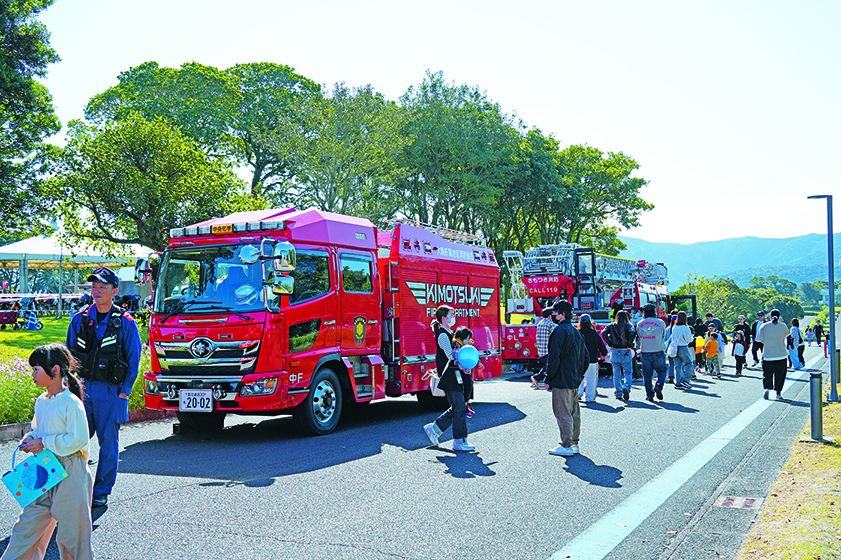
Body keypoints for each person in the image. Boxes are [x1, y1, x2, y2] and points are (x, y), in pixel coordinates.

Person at [1, 343, 94, 560]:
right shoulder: (41, 402)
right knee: (26, 529)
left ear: (55, 370)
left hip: (71, 469)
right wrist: (31, 438)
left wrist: (44, 443)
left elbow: (78, 439)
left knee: (73, 536)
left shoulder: (71, 403)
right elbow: (38, 429)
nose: (32, 373)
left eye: (36, 369)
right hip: (44, 467)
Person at [66, 266, 142, 508]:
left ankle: (100, 491)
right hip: (82, 388)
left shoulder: (126, 324)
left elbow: (133, 361)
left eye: (102, 287)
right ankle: (67, 486)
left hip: (111, 391)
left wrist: (123, 394)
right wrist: (68, 391)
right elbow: (68, 358)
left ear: (114, 291)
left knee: (108, 444)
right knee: (72, 440)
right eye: (94, 286)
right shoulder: (79, 320)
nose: (96, 291)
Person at [423, 305, 474, 451]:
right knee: (460, 408)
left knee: (458, 407)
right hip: (449, 376)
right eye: (451, 315)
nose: (454, 318)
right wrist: (463, 363)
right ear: (444, 318)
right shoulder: (442, 335)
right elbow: (451, 356)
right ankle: (459, 441)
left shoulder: (449, 333)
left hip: (454, 375)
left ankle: (435, 429)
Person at [545, 300, 589, 456]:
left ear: (562, 314)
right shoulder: (576, 332)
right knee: (573, 412)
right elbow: (586, 357)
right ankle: (575, 443)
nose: (553, 314)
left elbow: (553, 358)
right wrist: (580, 374)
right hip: (574, 379)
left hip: (561, 379)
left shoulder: (558, 331)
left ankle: (566, 445)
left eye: (556, 312)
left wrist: (548, 378)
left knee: (562, 412)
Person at [636, 304, 667, 402]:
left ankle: (650, 395)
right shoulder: (661, 322)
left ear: (644, 313)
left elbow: (639, 335)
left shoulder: (640, 323)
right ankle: (659, 385)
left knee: (647, 375)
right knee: (662, 371)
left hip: (645, 351)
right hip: (658, 350)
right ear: (654, 312)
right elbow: (664, 335)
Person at [602, 310, 635, 401]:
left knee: (616, 373)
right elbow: (632, 333)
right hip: (625, 350)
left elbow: (603, 333)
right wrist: (629, 344)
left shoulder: (611, 325)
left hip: (615, 351)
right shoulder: (629, 325)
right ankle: (627, 386)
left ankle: (618, 393)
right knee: (628, 372)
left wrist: (610, 343)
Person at [756, 309, 788, 400]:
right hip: (781, 354)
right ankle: (778, 393)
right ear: (779, 317)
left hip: (768, 355)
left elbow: (759, 339)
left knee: (767, 373)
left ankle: (767, 389)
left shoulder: (764, 326)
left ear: (770, 316)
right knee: (780, 375)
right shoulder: (783, 326)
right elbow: (785, 335)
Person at [577, 314, 607, 403]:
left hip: (579, 359)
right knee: (591, 379)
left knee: (579, 377)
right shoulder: (593, 333)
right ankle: (590, 397)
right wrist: (604, 353)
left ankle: (578, 393)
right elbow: (601, 344)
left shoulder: (577, 332)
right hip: (592, 359)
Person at [452, 326, 475, 417]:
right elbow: (455, 354)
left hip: (466, 369)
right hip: (461, 370)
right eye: (468, 339)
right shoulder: (458, 346)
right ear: (461, 339)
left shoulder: (466, 347)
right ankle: (465, 404)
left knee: (469, 386)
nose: (470, 341)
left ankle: (467, 402)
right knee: (466, 386)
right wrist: (459, 364)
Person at [670, 311, 695, 390]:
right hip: (683, 347)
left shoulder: (674, 327)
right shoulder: (685, 327)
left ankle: (678, 383)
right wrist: (692, 338)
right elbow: (689, 339)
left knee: (678, 366)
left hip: (675, 348)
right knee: (689, 364)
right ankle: (685, 380)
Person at [531, 308, 555, 389]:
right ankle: (537, 377)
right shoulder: (550, 324)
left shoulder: (539, 324)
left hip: (541, 349)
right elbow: (555, 336)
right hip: (548, 350)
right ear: (550, 315)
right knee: (549, 367)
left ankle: (549, 384)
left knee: (546, 366)